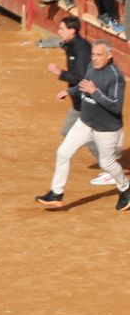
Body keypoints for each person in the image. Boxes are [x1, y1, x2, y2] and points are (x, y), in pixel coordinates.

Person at [36, 39, 130, 211]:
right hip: (85, 122)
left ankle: (125, 189)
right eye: (93, 54)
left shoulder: (115, 77)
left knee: (107, 163)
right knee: (63, 152)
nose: (95, 58)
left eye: (99, 55)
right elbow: (83, 84)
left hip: (106, 128)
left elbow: (115, 106)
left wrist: (95, 92)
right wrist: (69, 91)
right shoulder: (91, 66)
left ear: (109, 56)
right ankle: (56, 194)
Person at [45, 16, 110, 182]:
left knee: (79, 133)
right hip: (79, 100)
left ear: (72, 31)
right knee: (68, 130)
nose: (59, 31)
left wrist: (60, 73)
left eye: (62, 29)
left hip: (88, 101)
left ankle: (109, 167)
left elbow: (81, 77)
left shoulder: (81, 50)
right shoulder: (73, 46)